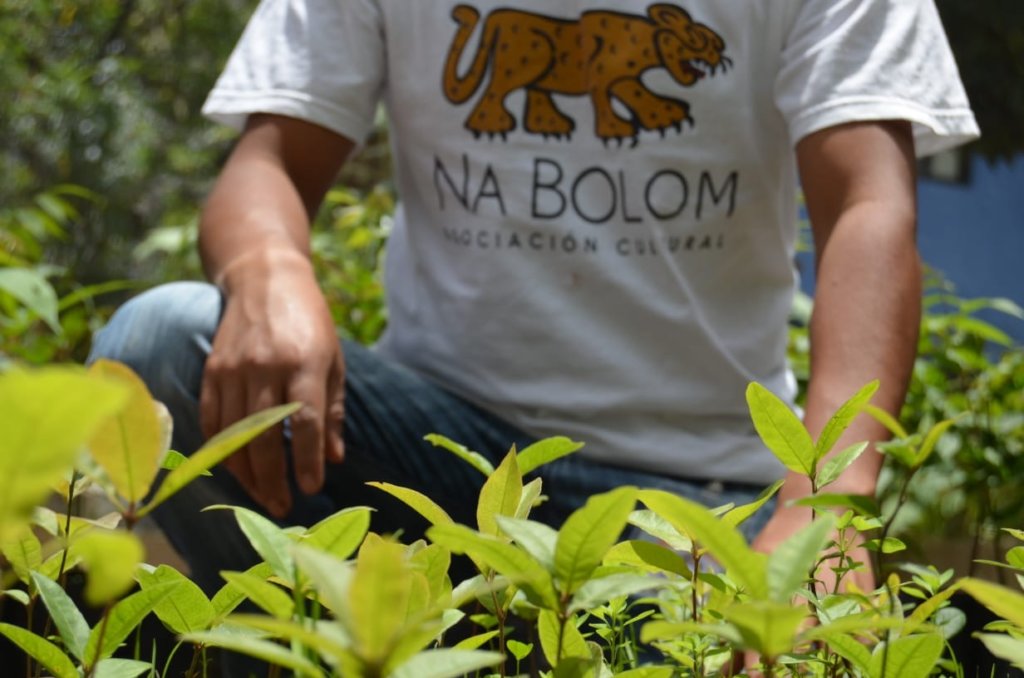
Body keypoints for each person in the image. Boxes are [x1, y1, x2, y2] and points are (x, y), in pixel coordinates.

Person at [92, 0, 977, 622]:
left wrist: (824, 502)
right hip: (436, 461)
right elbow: (269, 162)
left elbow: (868, 206)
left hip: (707, 498)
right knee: (163, 343)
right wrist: (268, 267)